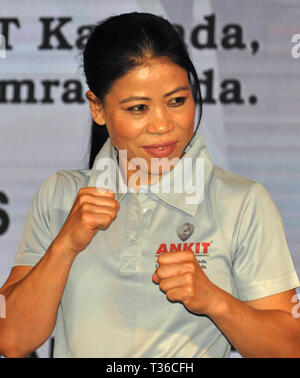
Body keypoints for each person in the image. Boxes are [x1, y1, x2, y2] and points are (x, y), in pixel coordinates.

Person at [0, 12, 299, 358]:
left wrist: (217, 302)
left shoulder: (241, 201)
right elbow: (11, 339)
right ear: (98, 108)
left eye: (177, 101)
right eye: (139, 108)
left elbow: (290, 347)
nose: (161, 124)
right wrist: (65, 245)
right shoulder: (60, 194)